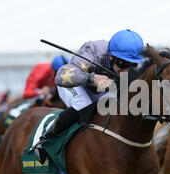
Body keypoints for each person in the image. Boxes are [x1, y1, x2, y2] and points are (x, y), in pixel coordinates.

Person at [34, 29, 146, 163]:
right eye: (123, 64)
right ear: (111, 56)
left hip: (99, 91)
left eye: (132, 65)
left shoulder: (136, 62)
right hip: (74, 85)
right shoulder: (93, 51)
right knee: (83, 104)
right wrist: (91, 78)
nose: (127, 70)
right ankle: (45, 138)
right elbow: (60, 76)